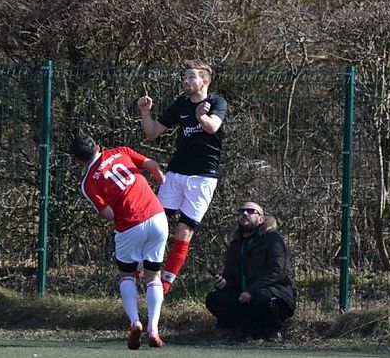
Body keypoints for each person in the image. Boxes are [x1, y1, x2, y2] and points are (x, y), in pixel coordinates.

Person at [70, 134, 169, 350]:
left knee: (127, 275)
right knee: (153, 275)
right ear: (97, 146)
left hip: (129, 225)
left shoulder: (88, 183)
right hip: (157, 217)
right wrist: (161, 183)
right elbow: (152, 164)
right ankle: (154, 329)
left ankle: (135, 322)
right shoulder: (120, 151)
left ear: (77, 160)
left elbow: (108, 213)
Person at [137, 59, 228, 293]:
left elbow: (212, 127)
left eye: (191, 77)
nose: (186, 82)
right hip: (177, 173)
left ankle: (164, 286)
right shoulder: (180, 104)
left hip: (203, 177)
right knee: (154, 223)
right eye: (184, 78)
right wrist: (145, 113)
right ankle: (140, 270)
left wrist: (200, 117)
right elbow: (152, 133)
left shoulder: (216, 102)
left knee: (183, 231)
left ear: (205, 81)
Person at [205, 201, 298, 342]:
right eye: (241, 211)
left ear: (261, 219)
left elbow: (277, 270)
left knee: (262, 297)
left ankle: (273, 330)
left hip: (274, 293)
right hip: (243, 296)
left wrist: (251, 291)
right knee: (214, 299)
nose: (245, 213)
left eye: (250, 211)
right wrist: (223, 283)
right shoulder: (235, 245)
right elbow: (231, 276)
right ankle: (241, 330)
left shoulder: (272, 240)